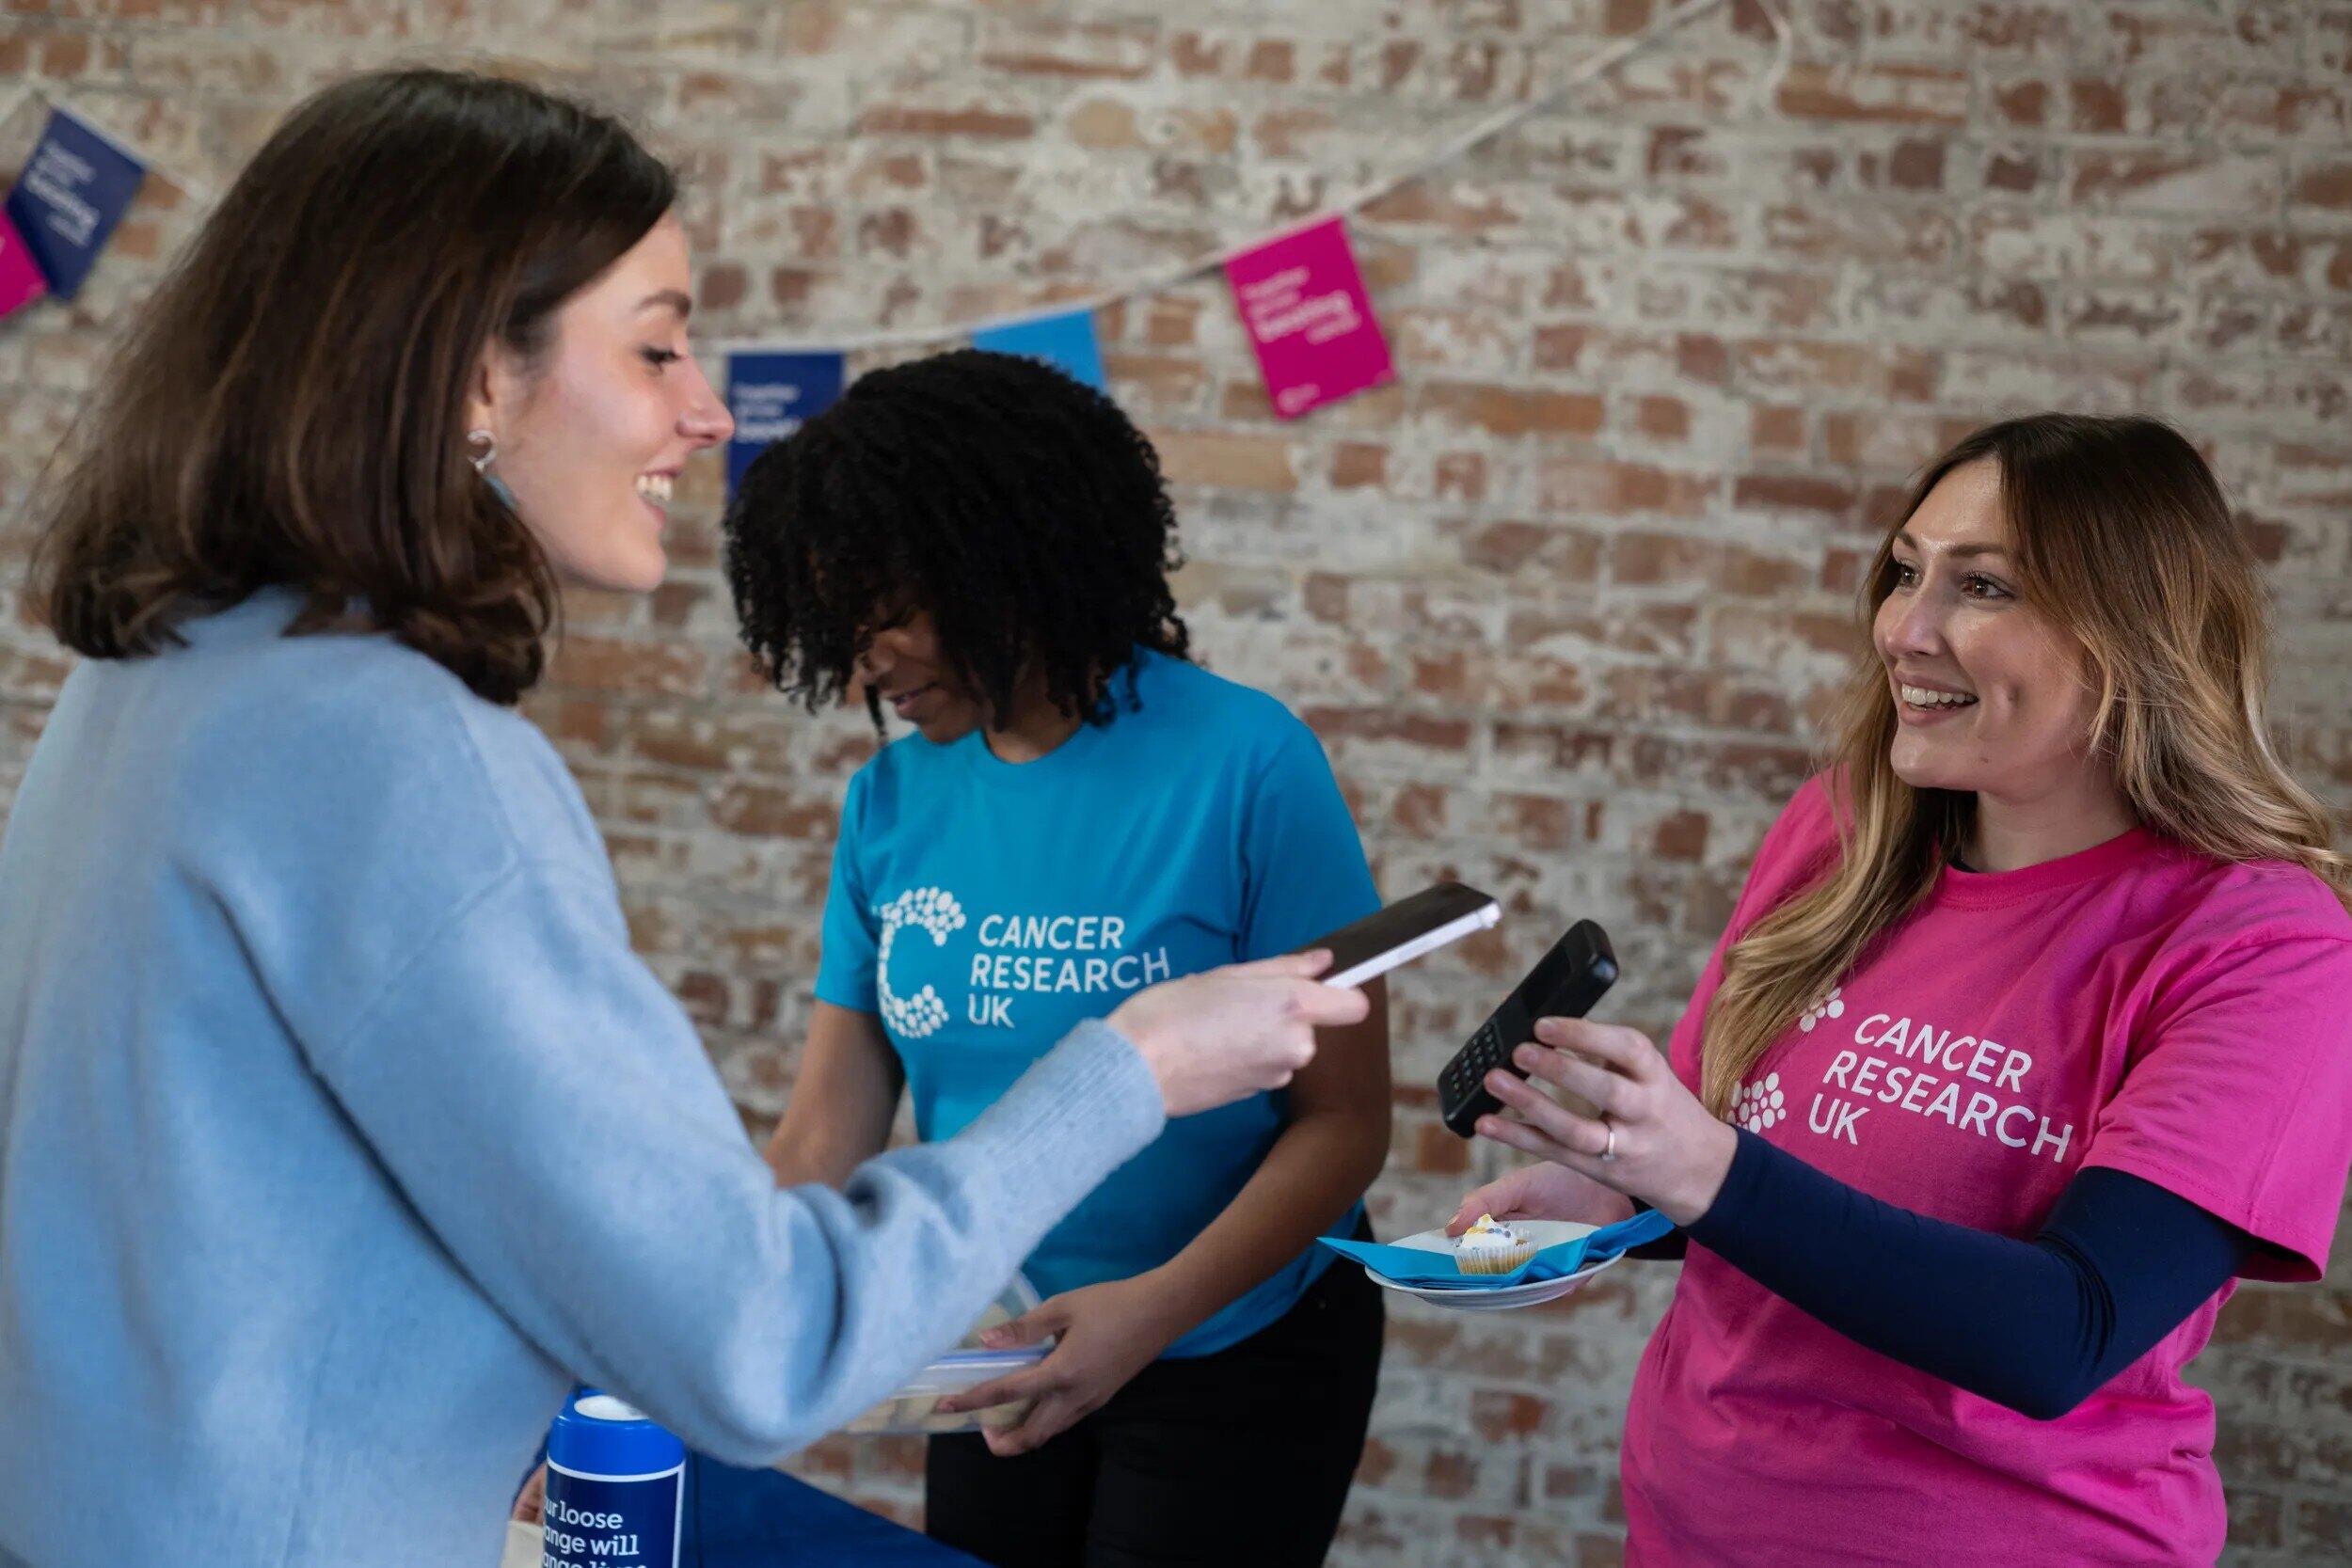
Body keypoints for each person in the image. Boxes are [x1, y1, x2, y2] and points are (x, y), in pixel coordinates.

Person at [0, 69, 1366, 1568]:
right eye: (655, 345)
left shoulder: (147, 685)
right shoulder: (399, 756)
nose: (708, 412)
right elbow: (759, 1333)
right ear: (472, 378)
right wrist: (1133, 1065)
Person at [1451, 414, 2352, 1565]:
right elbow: (1772, 1180)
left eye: (1981, 586)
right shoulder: (1842, 832)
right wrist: (1623, 1201)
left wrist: (1697, 1172)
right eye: (1905, 572)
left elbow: (2064, 1330)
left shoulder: (2260, 944)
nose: (1905, 630)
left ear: (2135, 631)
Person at [723, 349, 1391, 1568]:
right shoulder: (890, 801)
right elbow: (825, 1134)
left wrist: (1151, 1311)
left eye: (891, 607)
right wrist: (715, 1325)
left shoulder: (1249, 763)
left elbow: (1345, 1124)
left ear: (1004, 565)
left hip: (1236, 1336)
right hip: (1001, 1335)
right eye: (840, 619)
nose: (865, 655)